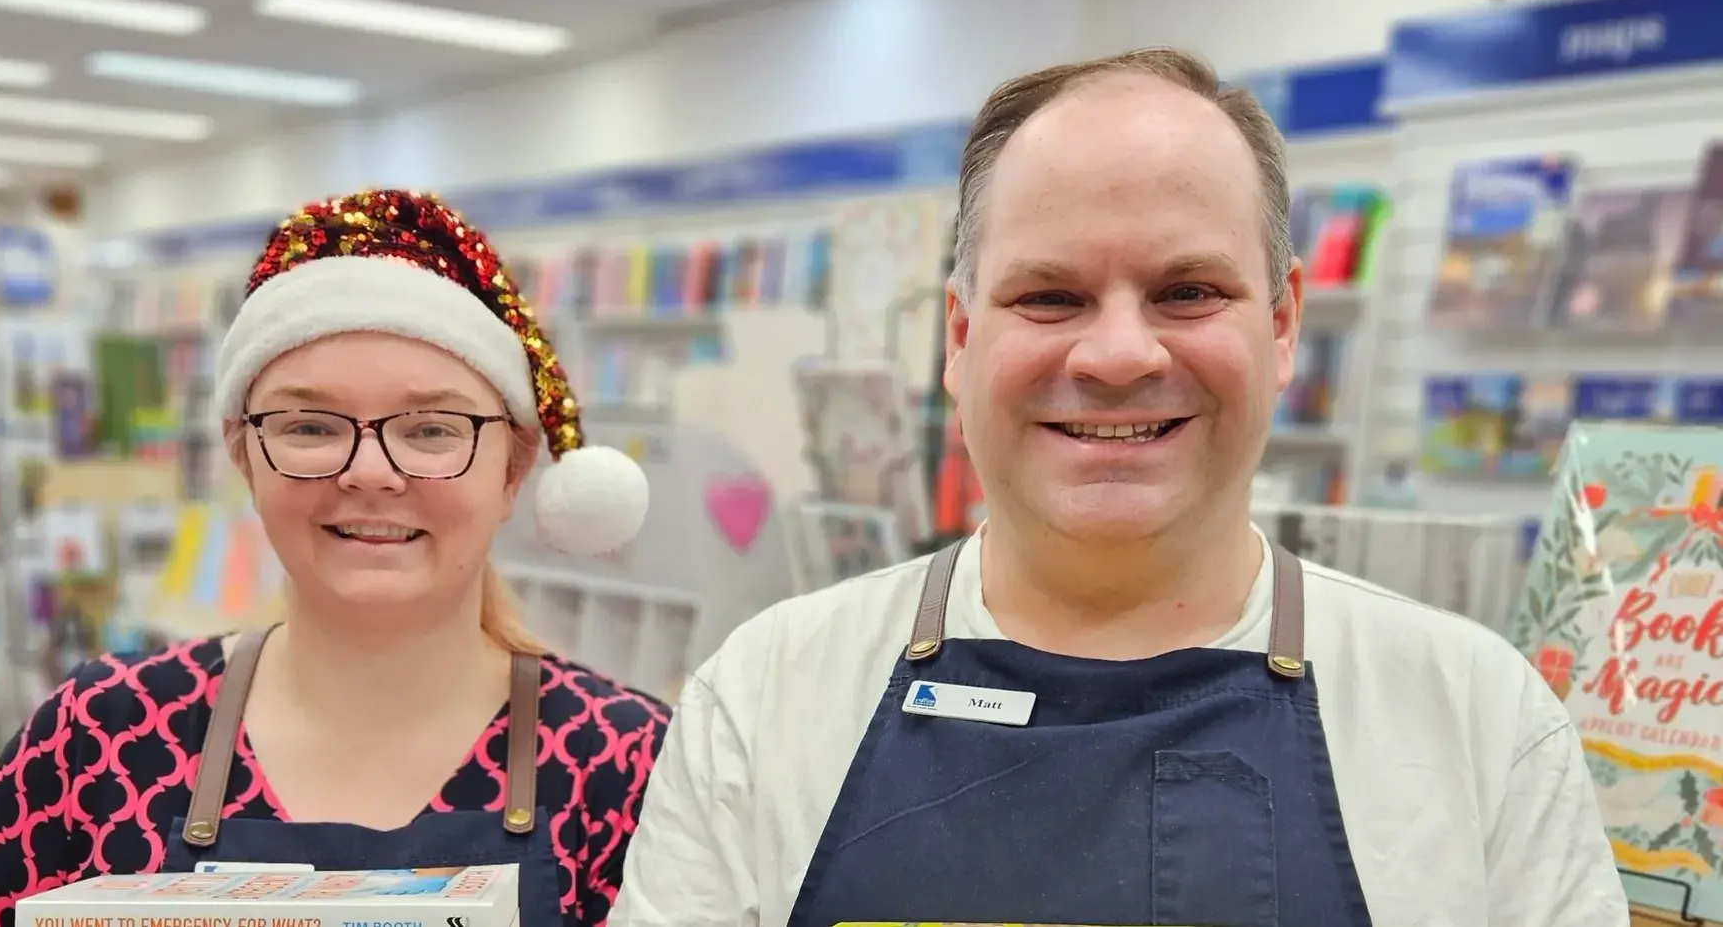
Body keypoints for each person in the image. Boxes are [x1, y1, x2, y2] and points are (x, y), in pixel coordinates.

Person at [609, 48, 1629, 927]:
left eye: (1188, 291)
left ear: (1281, 328)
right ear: (961, 337)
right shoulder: (766, 698)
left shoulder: (1477, 723)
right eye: (1050, 296)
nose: (1117, 353)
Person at [0, 190, 670, 927]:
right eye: (311, 426)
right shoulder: (100, 733)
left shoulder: (632, 762)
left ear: (513, 470)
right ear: (243, 453)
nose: (371, 472)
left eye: (433, 430)